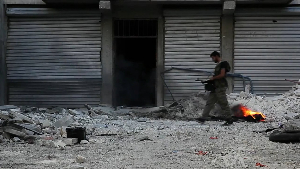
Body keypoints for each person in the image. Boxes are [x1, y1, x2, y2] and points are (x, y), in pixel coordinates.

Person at [198, 51, 233, 126]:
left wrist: (213, 78)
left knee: (223, 103)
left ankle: (229, 119)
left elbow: (222, 75)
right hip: (215, 87)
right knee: (209, 102)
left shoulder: (223, 64)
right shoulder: (218, 65)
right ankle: (203, 117)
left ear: (216, 56)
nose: (212, 59)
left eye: (213, 57)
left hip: (220, 87)